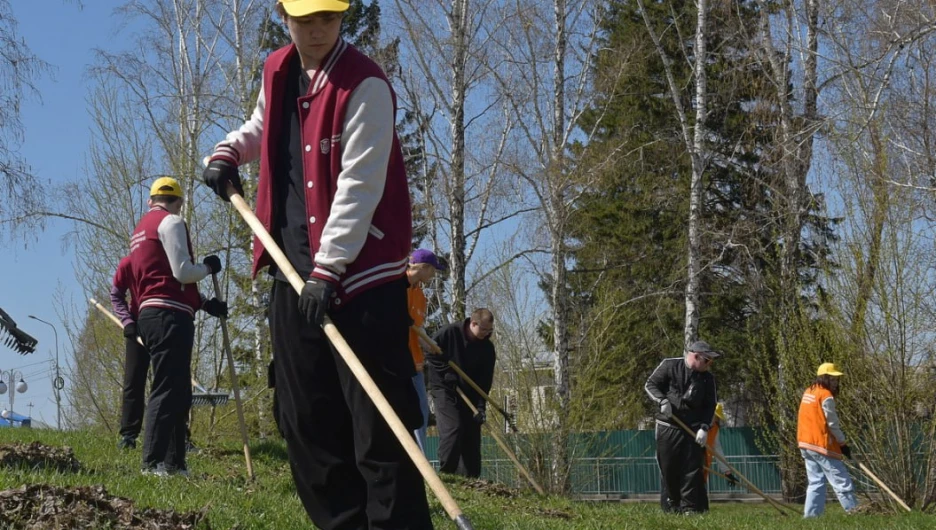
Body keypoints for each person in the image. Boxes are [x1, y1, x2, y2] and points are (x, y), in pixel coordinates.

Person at [200, 1, 433, 527]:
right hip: (291, 273)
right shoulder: (277, 69)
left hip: (361, 281)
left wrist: (328, 269)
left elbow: (360, 184)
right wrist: (229, 151)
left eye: (329, 18)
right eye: (306, 19)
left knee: (380, 434)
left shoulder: (365, 84)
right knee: (306, 425)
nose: (318, 30)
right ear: (284, 15)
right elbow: (261, 124)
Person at [129, 176, 228, 476]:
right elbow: (182, 273)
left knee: (179, 390)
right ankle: (153, 462)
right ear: (179, 201)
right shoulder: (171, 223)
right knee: (168, 387)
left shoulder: (140, 229)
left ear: (151, 199)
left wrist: (204, 303)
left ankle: (175, 463)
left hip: (155, 312)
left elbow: (161, 278)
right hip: (167, 314)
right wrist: (209, 267)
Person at [644, 340, 719, 514]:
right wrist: (662, 401)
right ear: (695, 356)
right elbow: (650, 385)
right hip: (668, 427)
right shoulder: (669, 365)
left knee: (692, 470)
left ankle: (690, 509)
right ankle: (671, 508)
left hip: (693, 430)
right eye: (707, 360)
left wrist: (704, 427)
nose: (709, 364)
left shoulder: (708, 379)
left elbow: (710, 405)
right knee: (669, 468)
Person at [426, 308, 497, 477]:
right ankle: (447, 475)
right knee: (454, 428)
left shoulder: (487, 348)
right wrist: (446, 372)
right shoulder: (450, 333)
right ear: (473, 323)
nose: (487, 333)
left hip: (469, 392)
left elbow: (485, 381)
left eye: (490, 330)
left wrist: (481, 407)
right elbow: (430, 351)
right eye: (484, 329)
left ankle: (471, 479)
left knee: (472, 433)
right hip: (444, 388)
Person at [797, 362, 858, 517]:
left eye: (836, 379)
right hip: (821, 445)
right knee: (841, 480)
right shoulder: (826, 395)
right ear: (825, 378)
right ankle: (855, 513)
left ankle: (811, 517)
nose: (836, 382)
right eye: (833, 378)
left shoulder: (809, 391)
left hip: (805, 443)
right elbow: (832, 423)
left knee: (815, 482)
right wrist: (843, 443)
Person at [406, 249, 445, 453]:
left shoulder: (420, 295)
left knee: (420, 410)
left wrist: (428, 343)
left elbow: (417, 328)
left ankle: (420, 460)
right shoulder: (396, 287)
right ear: (424, 267)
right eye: (432, 271)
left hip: (416, 363)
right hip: (395, 361)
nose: (433, 276)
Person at [111, 256, 148, 450]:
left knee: (171, 381)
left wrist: (206, 303)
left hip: (166, 322)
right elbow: (116, 294)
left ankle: (178, 435)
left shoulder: (170, 259)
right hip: (138, 325)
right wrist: (127, 321)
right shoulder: (129, 263)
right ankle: (129, 435)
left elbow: (185, 291)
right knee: (133, 380)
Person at [703, 403, 737, 487]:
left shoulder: (715, 428)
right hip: (692, 464)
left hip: (704, 464)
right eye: (716, 417)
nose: (718, 419)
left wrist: (727, 472)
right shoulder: (698, 423)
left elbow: (717, 449)